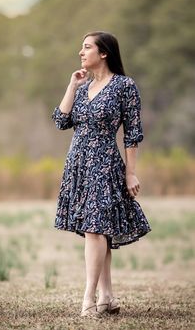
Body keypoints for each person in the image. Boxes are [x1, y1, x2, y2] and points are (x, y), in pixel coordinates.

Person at [51, 31, 151, 317]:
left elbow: (132, 134)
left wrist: (130, 173)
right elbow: (60, 121)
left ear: (103, 52)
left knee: (95, 229)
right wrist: (72, 85)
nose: (81, 53)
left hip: (105, 164)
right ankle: (106, 296)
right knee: (96, 231)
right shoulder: (82, 88)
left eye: (86, 47)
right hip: (78, 165)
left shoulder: (124, 86)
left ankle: (88, 297)